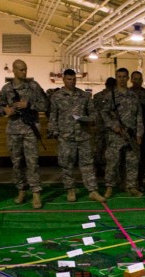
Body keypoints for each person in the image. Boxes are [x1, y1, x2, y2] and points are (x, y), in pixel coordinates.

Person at [48, 69, 106, 203]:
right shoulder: (56, 97)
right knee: (67, 164)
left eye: (74, 79)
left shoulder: (84, 96)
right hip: (66, 136)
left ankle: (92, 190)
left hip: (83, 135)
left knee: (87, 164)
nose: (72, 81)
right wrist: (55, 133)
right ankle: (70, 190)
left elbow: (93, 114)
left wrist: (89, 120)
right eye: (69, 79)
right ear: (63, 79)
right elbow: (53, 116)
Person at [0, 59, 48, 209]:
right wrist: (5, 110)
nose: (24, 72)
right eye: (20, 70)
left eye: (25, 69)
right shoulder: (6, 89)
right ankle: (21, 190)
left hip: (30, 129)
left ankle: (36, 192)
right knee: (16, 163)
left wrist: (29, 105)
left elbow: (45, 105)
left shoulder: (33, 86)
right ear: (13, 70)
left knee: (32, 162)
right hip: (13, 130)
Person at [101, 68, 144, 198]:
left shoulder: (133, 95)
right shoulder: (110, 96)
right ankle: (109, 187)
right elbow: (104, 113)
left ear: (128, 78)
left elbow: (139, 115)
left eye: (124, 77)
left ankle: (131, 186)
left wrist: (139, 133)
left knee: (132, 162)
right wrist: (113, 126)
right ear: (116, 78)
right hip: (116, 135)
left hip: (130, 135)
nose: (122, 79)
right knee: (112, 162)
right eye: (119, 76)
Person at [130, 71, 145, 191]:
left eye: (139, 79)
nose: (137, 81)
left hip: (144, 128)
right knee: (130, 156)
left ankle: (140, 180)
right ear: (131, 80)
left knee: (142, 156)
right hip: (130, 128)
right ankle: (128, 181)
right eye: (135, 79)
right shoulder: (127, 93)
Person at [92, 77, 115, 177]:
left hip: (100, 126)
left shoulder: (97, 96)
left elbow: (93, 111)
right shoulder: (114, 96)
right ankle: (110, 170)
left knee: (99, 148)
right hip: (112, 127)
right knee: (111, 149)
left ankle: (99, 169)